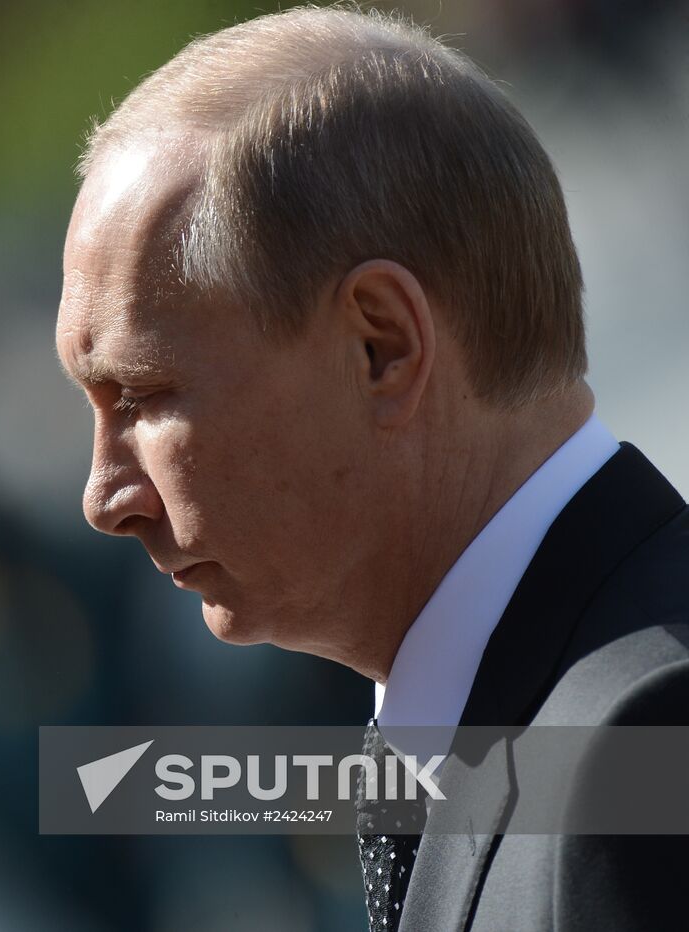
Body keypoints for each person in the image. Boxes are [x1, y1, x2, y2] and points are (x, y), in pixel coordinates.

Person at [54, 6, 689, 930]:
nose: (103, 499)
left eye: (146, 397)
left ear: (381, 346)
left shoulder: (643, 744)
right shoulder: (539, 733)